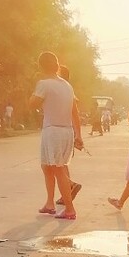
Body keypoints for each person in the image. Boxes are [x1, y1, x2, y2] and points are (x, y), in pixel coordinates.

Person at [29, 51, 82, 219]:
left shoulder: (44, 84)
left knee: (58, 169)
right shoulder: (67, 85)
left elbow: (32, 104)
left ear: (41, 66)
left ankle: (69, 208)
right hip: (66, 131)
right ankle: (50, 203)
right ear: (57, 65)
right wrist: (78, 134)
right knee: (47, 166)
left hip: (52, 131)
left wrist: (35, 88)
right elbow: (75, 111)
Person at [58, 64, 83, 202]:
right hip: (67, 130)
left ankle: (70, 186)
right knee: (62, 163)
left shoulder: (64, 89)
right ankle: (66, 193)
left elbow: (75, 113)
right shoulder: (67, 89)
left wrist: (77, 134)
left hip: (63, 130)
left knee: (57, 164)